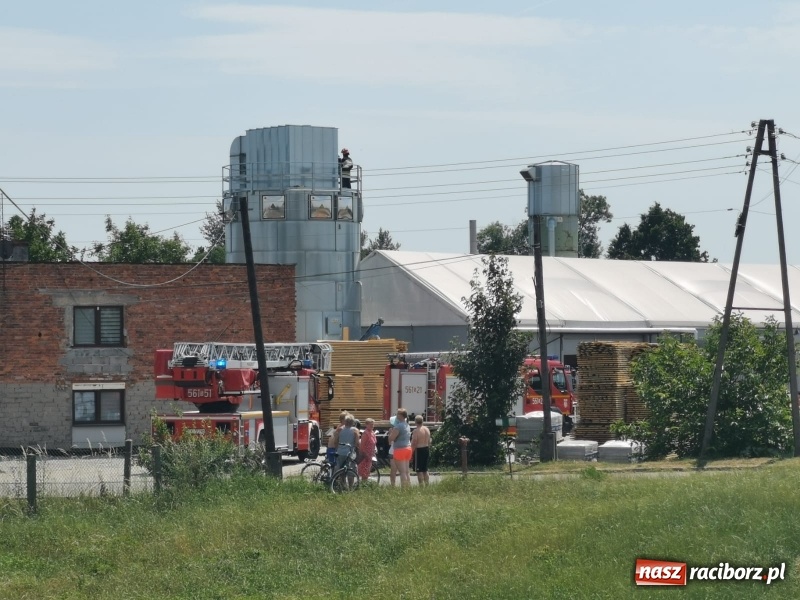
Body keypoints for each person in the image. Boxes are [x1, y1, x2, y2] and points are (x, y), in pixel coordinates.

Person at [388, 408, 412, 487]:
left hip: (400, 449)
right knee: (406, 471)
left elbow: (391, 439)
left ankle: (404, 489)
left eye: (398, 414)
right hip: (408, 448)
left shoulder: (398, 426)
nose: (396, 415)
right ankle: (408, 487)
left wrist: (390, 433)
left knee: (402, 472)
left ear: (401, 415)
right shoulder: (407, 425)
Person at [411, 414, 431, 486]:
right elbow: (429, 441)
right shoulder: (427, 429)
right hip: (426, 448)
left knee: (419, 470)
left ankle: (421, 486)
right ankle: (427, 485)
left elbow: (414, 442)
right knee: (425, 469)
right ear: (422, 421)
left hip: (419, 450)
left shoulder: (416, 431)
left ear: (415, 422)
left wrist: (411, 452)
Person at [357, 418, 377, 482]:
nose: (372, 426)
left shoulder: (372, 433)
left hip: (371, 455)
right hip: (365, 455)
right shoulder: (365, 434)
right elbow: (362, 446)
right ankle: (363, 485)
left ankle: (364, 485)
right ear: (366, 425)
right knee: (364, 473)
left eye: (373, 424)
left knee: (367, 472)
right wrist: (366, 455)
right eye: (371, 424)